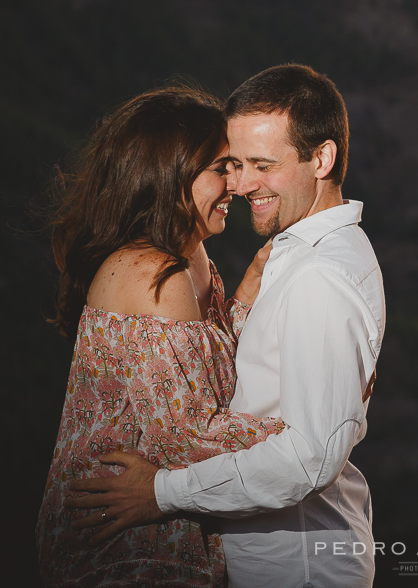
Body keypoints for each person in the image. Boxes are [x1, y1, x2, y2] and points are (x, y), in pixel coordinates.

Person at [66, 64, 385, 587]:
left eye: (262, 164)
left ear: (321, 158)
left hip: (296, 565)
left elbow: (310, 456)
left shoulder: (319, 276)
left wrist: (161, 493)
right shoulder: (289, 254)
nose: (241, 184)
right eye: (233, 164)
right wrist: (335, 414)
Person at [36, 86, 285, 587]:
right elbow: (185, 437)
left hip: (155, 527)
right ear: (172, 175)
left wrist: (246, 295)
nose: (236, 184)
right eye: (222, 168)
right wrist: (307, 425)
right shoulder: (154, 273)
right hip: (120, 546)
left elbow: (201, 373)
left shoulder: (190, 257)